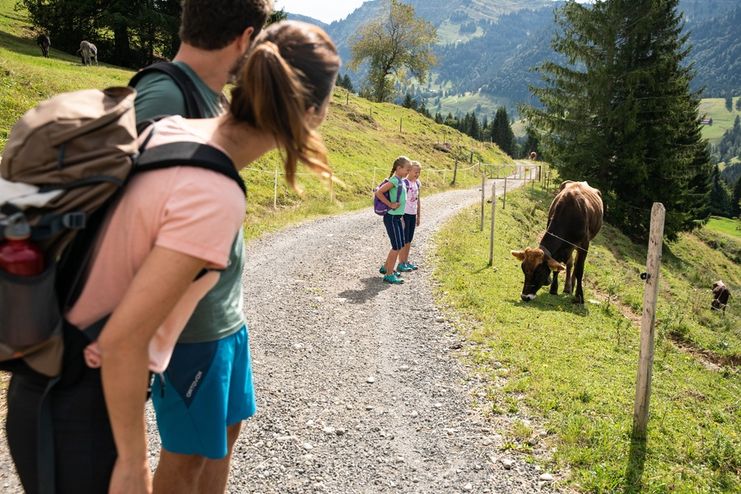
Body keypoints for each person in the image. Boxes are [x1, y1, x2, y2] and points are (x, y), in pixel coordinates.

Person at [5, 20, 340, 494]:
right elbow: (124, 342)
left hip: (55, 376)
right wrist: (132, 463)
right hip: (78, 404)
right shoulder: (214, 192)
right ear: (312, 112)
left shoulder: (179, 129)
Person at [129, 1, 271, 492]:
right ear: (244, 38)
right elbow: (135, 217)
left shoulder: (209, 98)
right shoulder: (163, 95)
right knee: (186, 458)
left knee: (223, 439)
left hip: (225, 317)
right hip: (187, 326)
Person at [376, 156, 411, 284]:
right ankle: (389, 275)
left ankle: (386, 267)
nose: (408, 171)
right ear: (399, 168)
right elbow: (379, 192)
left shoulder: (401, 180)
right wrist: (390, 204)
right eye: (407, 169)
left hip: (397, 218)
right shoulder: (394, 180)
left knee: (400, 244)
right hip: (391, 217)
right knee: (396, 246)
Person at [398, 161, 421, 272]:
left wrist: (418, 215)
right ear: (409, 171)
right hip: (405, 214)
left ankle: (406, 261)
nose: (417, 174)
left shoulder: (417, 183)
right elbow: (401, 200)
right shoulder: (404, 183)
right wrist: (400, 215)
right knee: (403, 239)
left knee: (409, 240)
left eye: (419, 172)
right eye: (415, 172)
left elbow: (418, 200)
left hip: (413, 214)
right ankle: (401, 263)